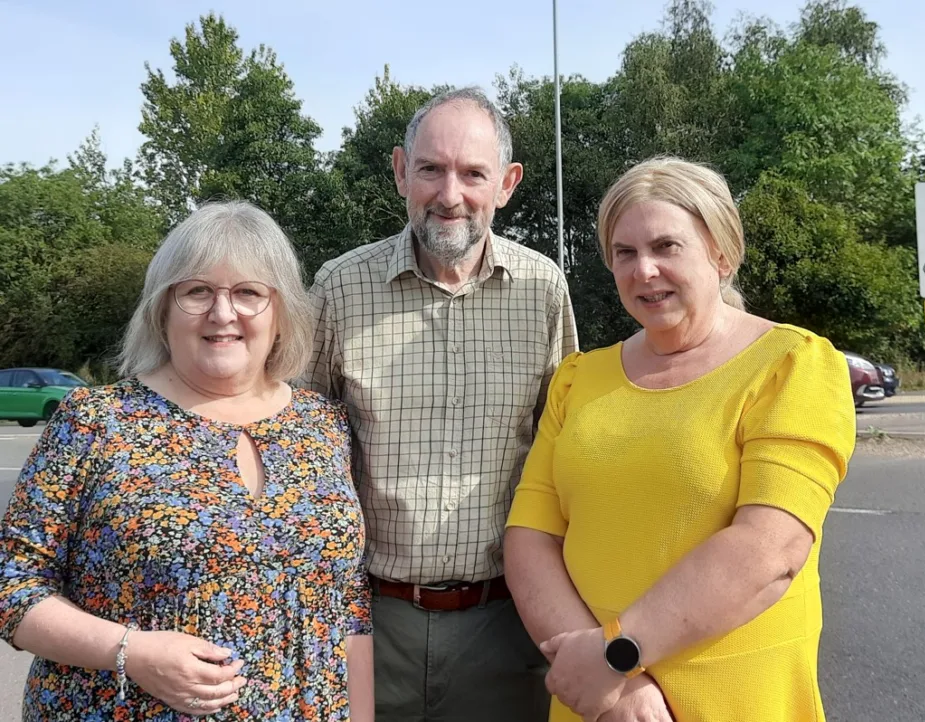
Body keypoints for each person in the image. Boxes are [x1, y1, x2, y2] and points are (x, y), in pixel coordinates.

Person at [504, 156, 857, 722]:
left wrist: (618, 656)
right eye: (625, 253)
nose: (644, 270)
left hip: (735, 699)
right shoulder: (579, 379)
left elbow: (771, 551)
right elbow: (530, 537)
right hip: (596, 701)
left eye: (666, 247)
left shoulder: (792, 365)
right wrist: (608, 683)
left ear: (720, 252)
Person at [0, 201, 373, 720]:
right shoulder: (95, 421)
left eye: (248, 292)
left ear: (281, 311)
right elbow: (14, 583)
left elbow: (348, 604)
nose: (223, 313)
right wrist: (131, 651)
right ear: (163, 308)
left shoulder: (324, 424)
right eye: (197, 291)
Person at [303, 87, 578, 721]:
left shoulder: (542, 288)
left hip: (506, 625)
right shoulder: (341, 288)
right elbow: (296, 449)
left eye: (473, 173)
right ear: (401, 171)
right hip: (368, 622)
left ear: (506, 184)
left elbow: (564, 448)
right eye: (431, 168)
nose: (449, 193)